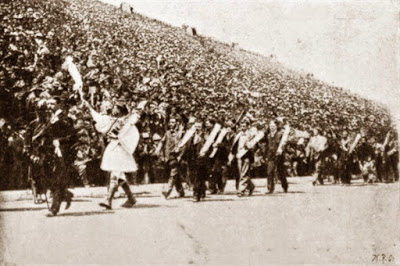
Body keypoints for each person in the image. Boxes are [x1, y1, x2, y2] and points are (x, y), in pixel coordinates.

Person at [84, 100, 140, 209]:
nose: (113, 109)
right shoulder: (113, 120)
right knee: (118, 175)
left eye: (115, 108)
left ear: (120, 110)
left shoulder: (128, 123)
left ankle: (108, 200)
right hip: (113, 149)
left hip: (121, 150)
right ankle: (131, 198)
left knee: (115, 174)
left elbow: (132, 136)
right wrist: (89, 106)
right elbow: (98, 117)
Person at [158, 117, 185, 199]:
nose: (171, 124)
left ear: (177, 123)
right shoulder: (167, 133)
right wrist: (159, 151)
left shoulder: (180, 133)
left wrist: (180, 156)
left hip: (176, 158)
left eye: (173, 122)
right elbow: (162, 142)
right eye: (170, 122)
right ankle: (181, 192)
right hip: (168, 157)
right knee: (176, 176)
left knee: (173, 175)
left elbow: (184, 146)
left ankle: (167, 191)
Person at [265, 120, 288, 193]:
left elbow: (283, 144)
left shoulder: (280, 134)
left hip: (279, 155)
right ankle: (270, 188)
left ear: (276, 127)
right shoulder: (268, 136)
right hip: (271, 156)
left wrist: (280, 151)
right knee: (270, 171)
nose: (272, 128)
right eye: (271, 126)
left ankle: (285, 186)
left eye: (273, 126)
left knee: (281, 172)